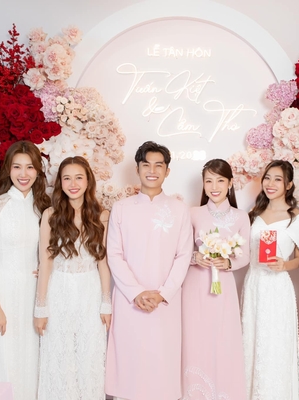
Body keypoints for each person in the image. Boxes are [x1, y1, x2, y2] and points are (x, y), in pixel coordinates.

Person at [105, 141, 193, 400]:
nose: (152, 171)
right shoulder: (121, 208)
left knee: (162, 363)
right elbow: (114, 254)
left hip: (164, 302)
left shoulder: (179, 209)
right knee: (130, 363)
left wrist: (163, 293)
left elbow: (183, 255)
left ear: (167, 171)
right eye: (146, 165)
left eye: (158, 165)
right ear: (137, 169)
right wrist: (136, 293)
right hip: (129, 300)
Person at [0, 140, 51, 399]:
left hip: (35, 294)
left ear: (38, 171)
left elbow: (52, 253)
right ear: (8, 169)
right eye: (17, 167)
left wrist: (45, 269)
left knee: (33, 359)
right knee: (3, 358)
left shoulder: (44, 207)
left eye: (29, 167)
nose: (23, 174)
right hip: (2, 290)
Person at [34, 156, 112, 399]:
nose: (73, 183)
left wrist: (106, 303)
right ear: (60, 182)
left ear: (88, 181)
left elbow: (103, 263)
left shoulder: (102, 215)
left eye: (79, 177)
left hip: (90, 292)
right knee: (59, 355)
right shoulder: (50, 214)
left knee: (90, 356)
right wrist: (40, 308)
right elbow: (45, 262)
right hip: (59, 290)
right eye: (67, 178)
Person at [181, 159, 250, 400]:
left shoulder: (241, 216)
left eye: (220, 180)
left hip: (223, 288)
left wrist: (228, 263)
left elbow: (246, 255)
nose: (214, 186)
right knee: (194, 338)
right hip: (195, 285)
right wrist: (195, 257)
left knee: (223, 339)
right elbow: (181, 251)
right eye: (209, 181)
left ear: (230, 183)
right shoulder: (193, 213)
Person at [241, 160, 299, 400]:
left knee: (275, 344)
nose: (270, 183)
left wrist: (284, 265)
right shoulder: (253, 214)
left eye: (278, 179)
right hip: (254, 284)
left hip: (278, 287)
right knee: (251, 341)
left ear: (288, 185)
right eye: (267, 178)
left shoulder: (297, 217)